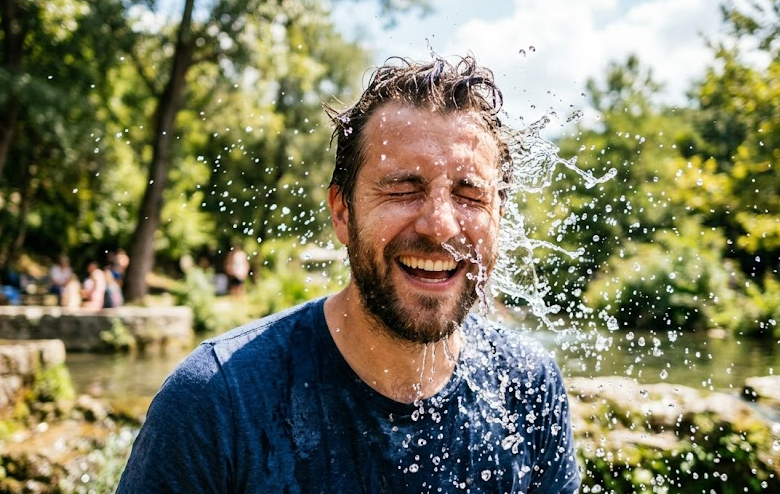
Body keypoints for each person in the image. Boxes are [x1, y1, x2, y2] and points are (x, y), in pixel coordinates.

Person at [116, 55, 581, 493]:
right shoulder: (217, 400)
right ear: (342, 211)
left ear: (500, 215)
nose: (439, 225)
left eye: (470, 195)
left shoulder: (529, 387)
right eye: (402, 189)